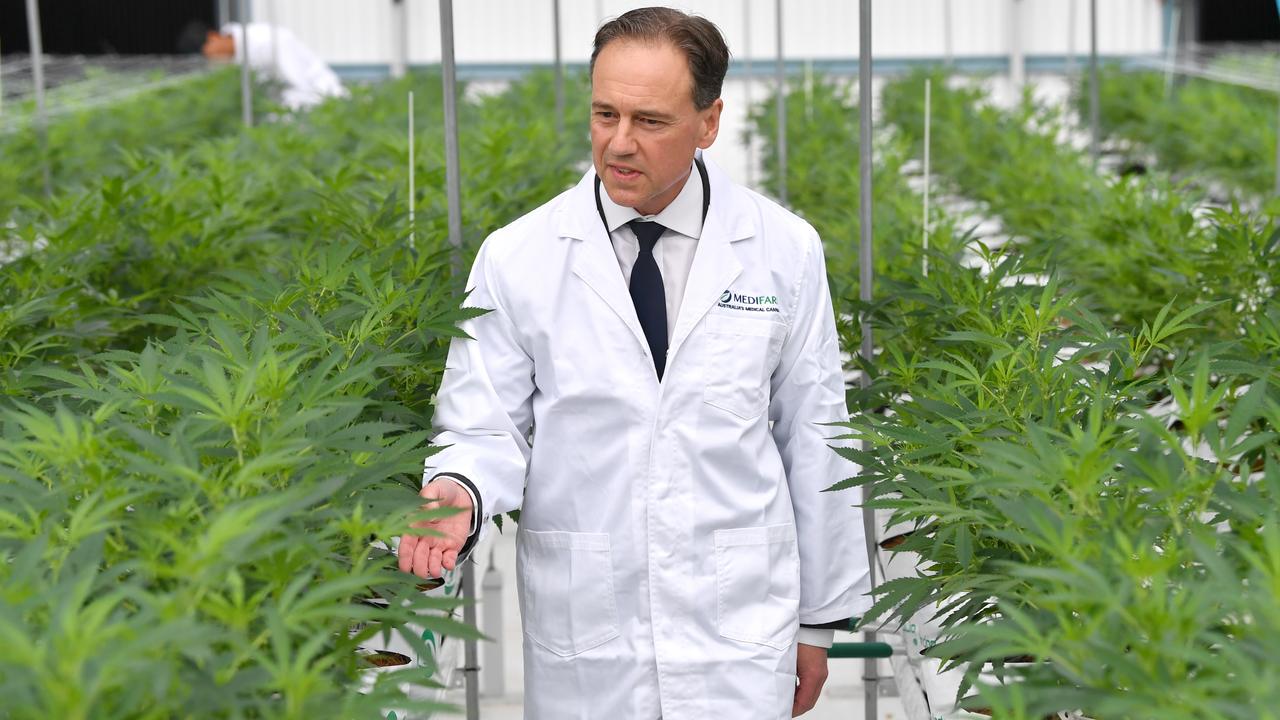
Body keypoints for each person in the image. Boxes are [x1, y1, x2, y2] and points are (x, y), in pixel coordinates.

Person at [398, 7, 870, 718]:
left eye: (649, 121)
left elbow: (815, 435)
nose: (619, 143)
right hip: (588, 627)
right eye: (604, 113)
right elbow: (481, 422)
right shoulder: (521, 256)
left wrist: (817, 622)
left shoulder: (782, 249)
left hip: (736, 628)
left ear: (708, 122)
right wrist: (459, 490)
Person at [186, 20, 348, 111]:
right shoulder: (236, 57)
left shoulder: (264, 40)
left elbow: (300, 83)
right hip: (290, 107)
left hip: (323, 100)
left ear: (213, 37)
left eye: (210, 53)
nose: (214, 59)